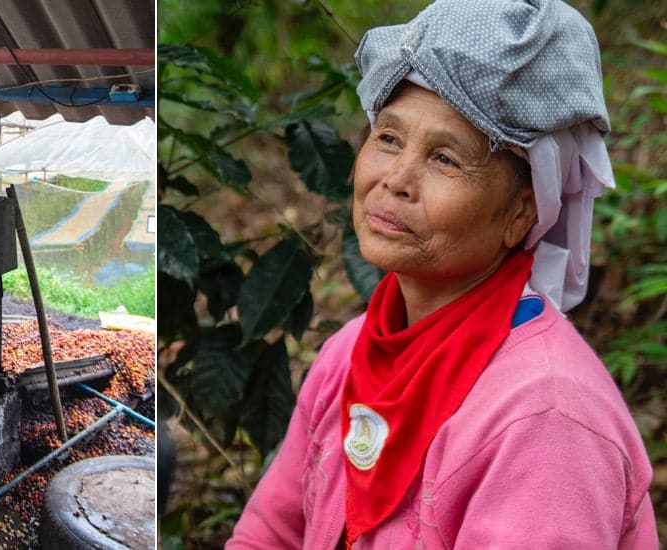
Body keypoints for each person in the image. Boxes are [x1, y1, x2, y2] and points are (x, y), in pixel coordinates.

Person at [227, 0, 659, 547]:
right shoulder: (348, 353)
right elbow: (270, 534)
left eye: (445, 159)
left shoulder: (547, 419)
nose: (396, 179)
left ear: (523, 211)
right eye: (388, 138)